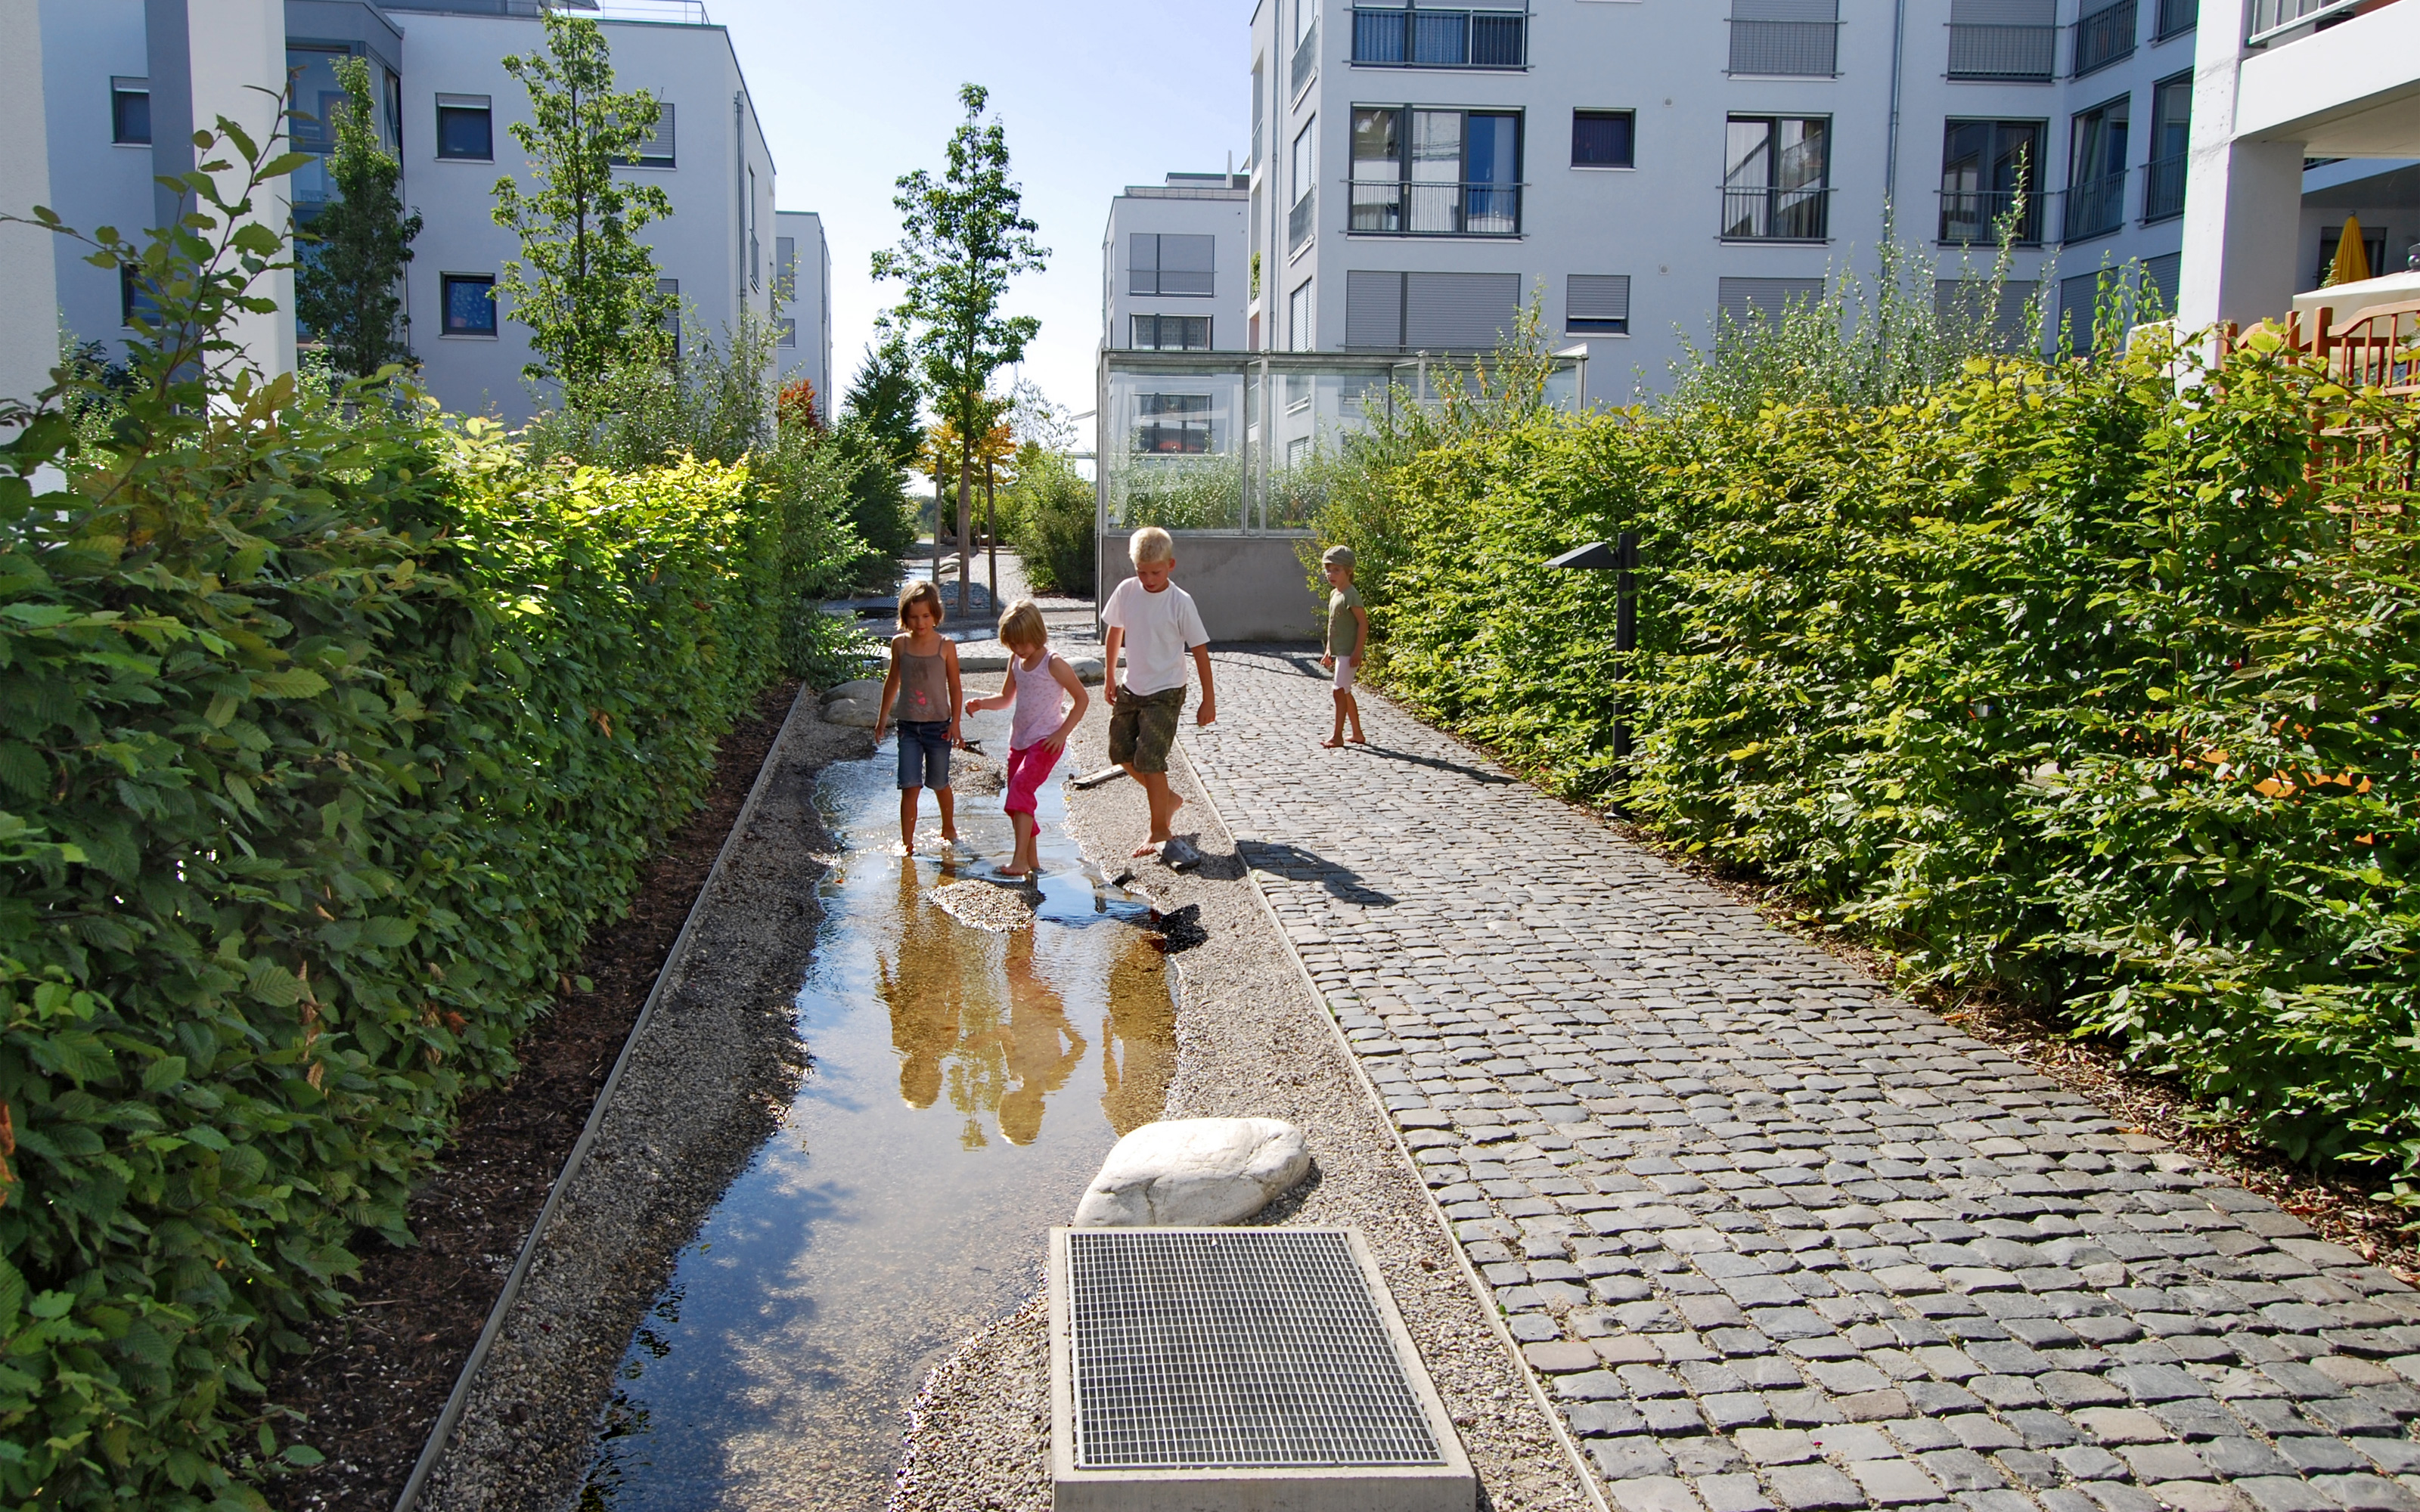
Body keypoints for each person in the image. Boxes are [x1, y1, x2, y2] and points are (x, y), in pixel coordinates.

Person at [1100, 526, 1216, 857]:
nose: (1148, 579)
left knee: (1151, 760)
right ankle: (1169, 800)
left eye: (1156, 572)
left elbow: (1200, 651)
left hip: (1166, 691)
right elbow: (1115, 633)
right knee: (1120, 754)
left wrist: (1208, 699)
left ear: (1171, 565)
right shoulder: (1126, 591)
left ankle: (1160, 830)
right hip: (1131, 686)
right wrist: (1110, 674)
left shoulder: (1180, 602)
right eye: (1142, 572)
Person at [964, 600, 1089, 880]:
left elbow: (1082, 699)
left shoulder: (1053, 663)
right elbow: (1006, 698)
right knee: (1018, 798)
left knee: (1020, 788)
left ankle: (1019, 861)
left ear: (1037, 634)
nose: (1019, 650)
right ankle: (1033, 861)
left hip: (1045, 742)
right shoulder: (1016, 661)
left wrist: (1062, 733)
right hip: (1019, 740)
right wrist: (981, 704)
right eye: (1013, 645)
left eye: (1022, 644)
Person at [873, 579, 963, 854]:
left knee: (939, 782)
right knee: (909, 786)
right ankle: (907, 843)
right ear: (904, 618)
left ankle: (948, 826)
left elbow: (955, 687)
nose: (920, 622)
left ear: (935, 615)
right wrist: (881, 719)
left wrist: (956, 723)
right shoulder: (900, 645)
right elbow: (892, 682)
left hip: (939, 727)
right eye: (913, 617)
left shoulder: (945, 646)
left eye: (925, 616)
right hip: (908, 727)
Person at [1320, 544, 1368, 748]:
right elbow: (1333, 625)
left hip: (1349, 653)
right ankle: (1357, 733)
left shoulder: (1351, 594)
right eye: (1328, 569)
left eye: (1336, 570)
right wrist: (1329, 650)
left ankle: (1337, 736)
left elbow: (1363, 623)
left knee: (1338, 690)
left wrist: (1358, 651)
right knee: (1345, 691)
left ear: (1349, 571)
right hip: (1340, 652)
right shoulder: (1335, 594)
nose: (1331, 574)